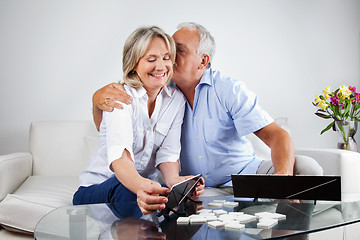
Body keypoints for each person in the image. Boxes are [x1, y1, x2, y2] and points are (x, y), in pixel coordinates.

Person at [91, 22, 323, 197]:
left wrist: (283, 178)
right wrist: (96, 99)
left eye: (177, 51)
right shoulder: (160, 87)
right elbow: (112, 129)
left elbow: (277, 135)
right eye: (167, 50)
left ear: (202, 61)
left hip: (241, 174)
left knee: (307, 169)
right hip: (191, 183)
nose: (168, 58)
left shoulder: (227, 89)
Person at [73, 25, 205, 215]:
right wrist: (143, 187)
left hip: (140, 186)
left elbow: (168, 154)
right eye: (151, 59)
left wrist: (176, 182)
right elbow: (121, 158)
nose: (161, 66)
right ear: (133, 63)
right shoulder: (119, 96)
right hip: (97, 188)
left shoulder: (176, 100)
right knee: (132, 194)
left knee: (174, 200)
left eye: (166, 58)